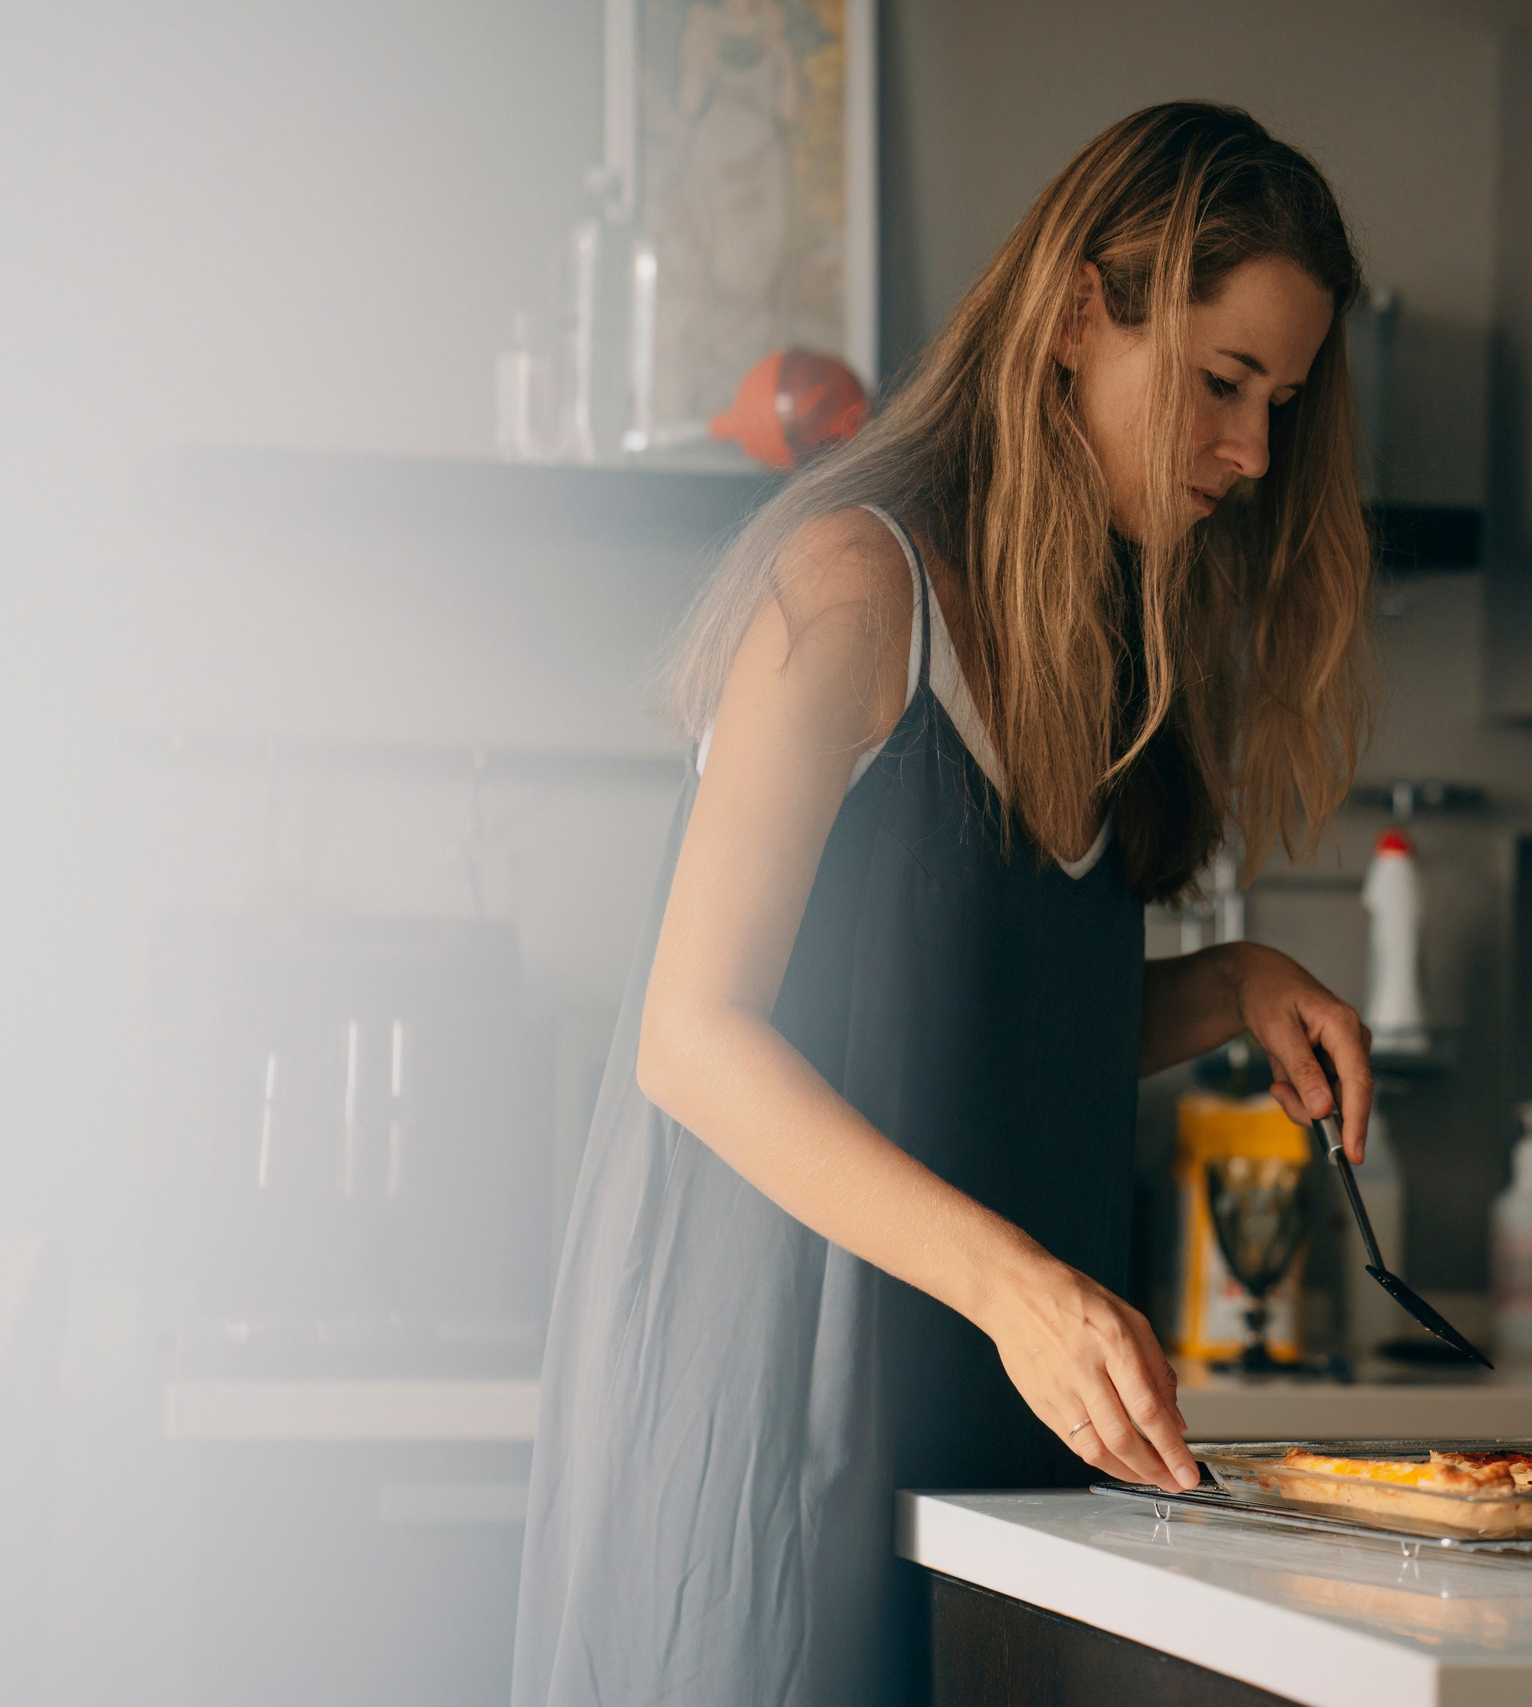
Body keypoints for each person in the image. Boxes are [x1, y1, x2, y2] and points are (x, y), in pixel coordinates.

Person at [512, 102, 1379, 1707]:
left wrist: (1232, 985)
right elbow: (692, 1039)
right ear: (1074, 319)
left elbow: (965, 1025)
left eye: (1280, 404)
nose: (1254, 454)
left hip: (973, 1413)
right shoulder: (854, 586)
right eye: (1220, 384)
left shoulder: (1097, 643)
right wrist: (1020, 1291)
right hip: (769, 1403)